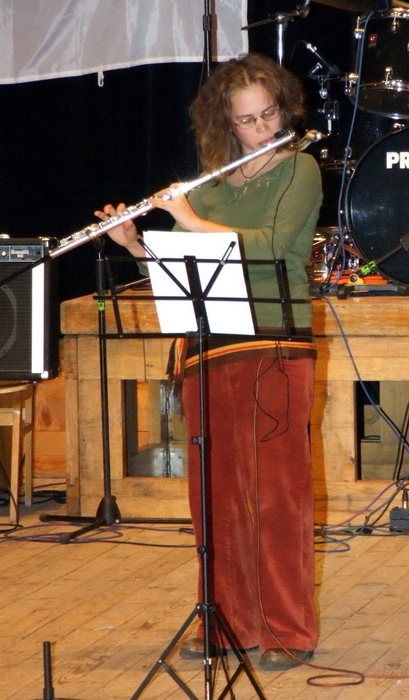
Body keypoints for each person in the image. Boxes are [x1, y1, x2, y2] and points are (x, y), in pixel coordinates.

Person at [95, 52, 322, 672]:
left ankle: (288, 628)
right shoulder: (213, 184)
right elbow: (182, 269)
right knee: (214, 495)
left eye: (269, 115)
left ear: (284, 110)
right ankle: (228, 621)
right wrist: (135, 243)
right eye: (247, 121)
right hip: (207, 345)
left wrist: (189, 218)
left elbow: (272, 245)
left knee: (276, 493)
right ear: (226, 125)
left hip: (274, 341)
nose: (262, 130)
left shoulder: (299, 169)